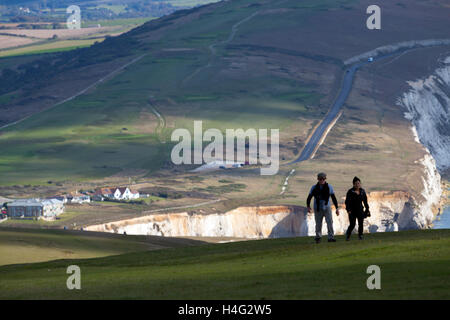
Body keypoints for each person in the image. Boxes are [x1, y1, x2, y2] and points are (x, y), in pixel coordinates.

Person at [307, 172, 340, 243]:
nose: (322, 180)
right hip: (317, 207)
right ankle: (318, 237)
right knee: (318, 223)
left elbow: (334, 198)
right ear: (318, 179)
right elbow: (309, 198)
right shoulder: (314, 188)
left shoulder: (329, 187)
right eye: (320, 179)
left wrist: (337, 208)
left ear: (325, 179)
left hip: (327, 207)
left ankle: (330, 237)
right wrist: (308, 206)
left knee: (330, 222)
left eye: (323, 179)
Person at [345, 176, 370, 240]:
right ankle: (348, 235)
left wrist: (367, 209)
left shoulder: (362, 191)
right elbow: (347, 202)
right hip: (352, 211)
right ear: (353, 184)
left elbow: (365, 201)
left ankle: (360, 235)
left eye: (358, 183)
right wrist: (348, 210)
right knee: (352, 224)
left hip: (360, 210)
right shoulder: (350, 192)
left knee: (361, 223)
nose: (357, 185)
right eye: (356, 183)